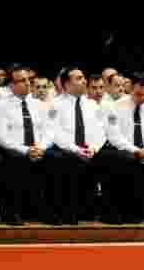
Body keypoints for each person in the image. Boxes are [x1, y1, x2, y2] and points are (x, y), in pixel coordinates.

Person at [46, 66, 110, 224]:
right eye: (79, 78)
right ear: (67, 84)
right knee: (65, 160)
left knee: (114, 159)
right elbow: (54, 133)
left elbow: (101, 132)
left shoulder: (92, 105)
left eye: (83, 77)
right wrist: (76, 149)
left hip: (90, 149)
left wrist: (93, 148)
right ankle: (67, 211)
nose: (84, 81)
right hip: (65, 149)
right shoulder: (55, 104)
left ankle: (106, 211)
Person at [101, 74, 144, 223]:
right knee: (126, 160)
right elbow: (115, 137)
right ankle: (126, 211)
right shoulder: (116, 107)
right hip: (124, 149)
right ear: (130, 88)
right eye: (138, 94)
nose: (142, 98)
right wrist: (136, 151)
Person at [0, 65, 53, 225]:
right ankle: (12, 213)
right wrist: (27, 150)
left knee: (57, 160)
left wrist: (40, 148)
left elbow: (49, 132)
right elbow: (1, 138)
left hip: (38, 148)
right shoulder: (2, 106)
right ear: (11, 85)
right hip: (14, 150)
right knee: (15, 161)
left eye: (29, 80)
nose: (27, 83)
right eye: (22, 81)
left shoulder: (39, 105)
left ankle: (46, 211)